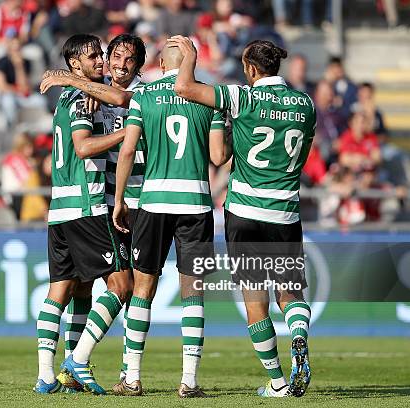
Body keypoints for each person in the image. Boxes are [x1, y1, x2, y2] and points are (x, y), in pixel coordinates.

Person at [170, 36, 315, 398]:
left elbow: (184, 88)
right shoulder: (306, 104)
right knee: (291, 292)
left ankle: (278, 382)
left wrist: (189, 56)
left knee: (255, 299)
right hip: (284, 209)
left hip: (245, 210)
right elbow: (304, 156)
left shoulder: (242, 97)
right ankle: (298, 335)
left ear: (251, 68)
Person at [112, 43, 228, 397]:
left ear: (160, 63)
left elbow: (129, 149)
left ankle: (132, 378)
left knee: (143, 289)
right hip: (194, 203)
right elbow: (218, 156)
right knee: (193, 291)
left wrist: (119, 200)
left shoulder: (144, 94)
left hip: (153, 202)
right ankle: (189, 380)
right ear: (191, 62)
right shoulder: (208, 96)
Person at [40, 32, 147, 388]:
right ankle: (78, 360)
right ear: (75, 64)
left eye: (103, 54)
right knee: (121, 284)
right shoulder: (79, 97)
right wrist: (129, 132)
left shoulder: (82, 95)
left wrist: (81, 85)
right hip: (87, 205)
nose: (103, 61)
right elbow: (84, 148)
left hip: (60, 208)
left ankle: (48, 377)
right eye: (94, 56)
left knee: (70, 289)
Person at [0, 37, 45, 125]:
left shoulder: (26, 62)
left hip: (20, 94)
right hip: (8, 94)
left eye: (18, 48)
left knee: (40, 101)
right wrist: (18, 90)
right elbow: (1, 86)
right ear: (9, 49)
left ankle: (37, 129)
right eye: (14, 48)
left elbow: (25, 86)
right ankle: (12, 127)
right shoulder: (1, 62)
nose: (16, 51)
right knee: (8, 101)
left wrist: (19, 67)